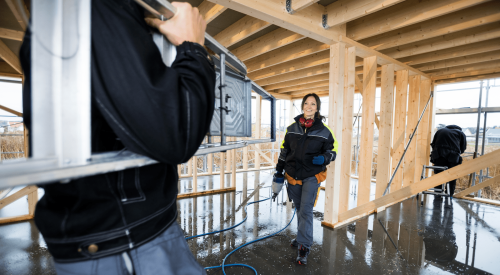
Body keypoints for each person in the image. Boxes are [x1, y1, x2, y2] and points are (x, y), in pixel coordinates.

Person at [20, 1, 215, 274]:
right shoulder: (98, 7)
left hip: (112, 235)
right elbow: (176, 134)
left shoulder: (67, 16)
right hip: (126, 241)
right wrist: (193, 49)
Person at [274, 93, 338, 265]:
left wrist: (324, 158)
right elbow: (284, 152)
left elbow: (333, 151)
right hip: (293, 175)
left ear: (317, 108)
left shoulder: (325, 131)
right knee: (300, 207)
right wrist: (278, 172)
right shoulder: (291, 129)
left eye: (313, 104)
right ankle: (302, 236)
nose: (309, 106)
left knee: (306, 209)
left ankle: (304, 246)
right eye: (307, 103)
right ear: (302, 106)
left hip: (312, 175)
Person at [430, 125, 467, 197]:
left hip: (439, 156)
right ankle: (449, 195)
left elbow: (433, 144)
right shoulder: (460, 133)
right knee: (452, 177)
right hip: (452, 158)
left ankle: (437, 194)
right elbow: (463, 148)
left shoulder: (439, 131)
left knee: (438, 176)